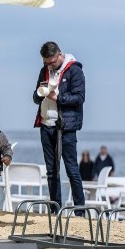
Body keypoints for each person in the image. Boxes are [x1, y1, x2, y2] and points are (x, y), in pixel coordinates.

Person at [32, 41, 85, 213]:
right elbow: (34, 97)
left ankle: (80, 212)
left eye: (52, 62)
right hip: (46, 124)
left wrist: (57, 97)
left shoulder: (74, 70)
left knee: (72, 170)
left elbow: (79, 98)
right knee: (51, 171)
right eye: (46, 62)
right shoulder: (44, 70)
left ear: (60, 54)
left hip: (66, 126)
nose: (49, 65)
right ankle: (55, 210)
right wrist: (40, 94)